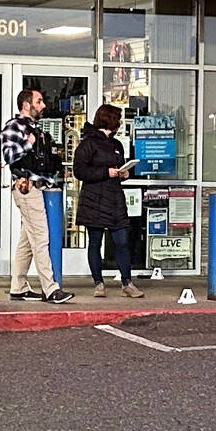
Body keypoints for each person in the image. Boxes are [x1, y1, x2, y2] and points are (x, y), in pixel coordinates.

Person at [1, 88, 72, 303]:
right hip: (27, 187)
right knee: (41, 238)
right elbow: (8, 155)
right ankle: (51, 289)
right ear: (26, 104)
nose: (43, 105)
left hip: (39, 187)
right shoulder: (14, 127)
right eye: (39, 101)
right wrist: (28, 143)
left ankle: (18, 286)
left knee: (27, 241)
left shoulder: (36, 129)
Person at [73, 104, 142, 298]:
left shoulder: (117, 144)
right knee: (95, 242)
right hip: (94, 199)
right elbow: (79, 171)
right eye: (117, 119)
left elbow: (119, 168)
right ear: (109, 120)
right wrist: (106, 172)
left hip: (114, 199)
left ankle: (127, 282)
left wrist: (124, 173)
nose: (119, 123)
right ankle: (98, 283)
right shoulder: (88, 143)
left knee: (122, 241)